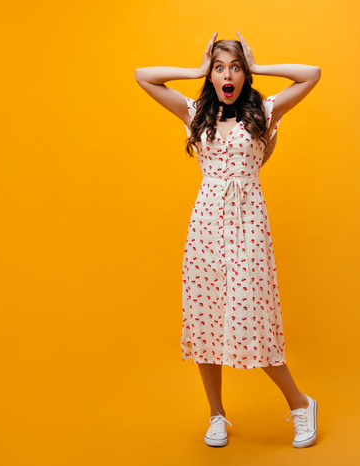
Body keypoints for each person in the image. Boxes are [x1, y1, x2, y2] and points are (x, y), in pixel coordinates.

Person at [135, 30, 321, 448]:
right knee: (204, 318)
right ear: (212, 76)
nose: (228, 75)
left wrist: (260, 66)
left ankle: (299, 403)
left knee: (254, 317)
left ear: (244, 75)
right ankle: (216, 415)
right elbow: (143, 76)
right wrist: (196, 70)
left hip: (248, 224)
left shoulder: (266, 111)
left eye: (235, 67)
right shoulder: (195, 111)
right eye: (220, 68)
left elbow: (312, 75)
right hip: (205, 226)